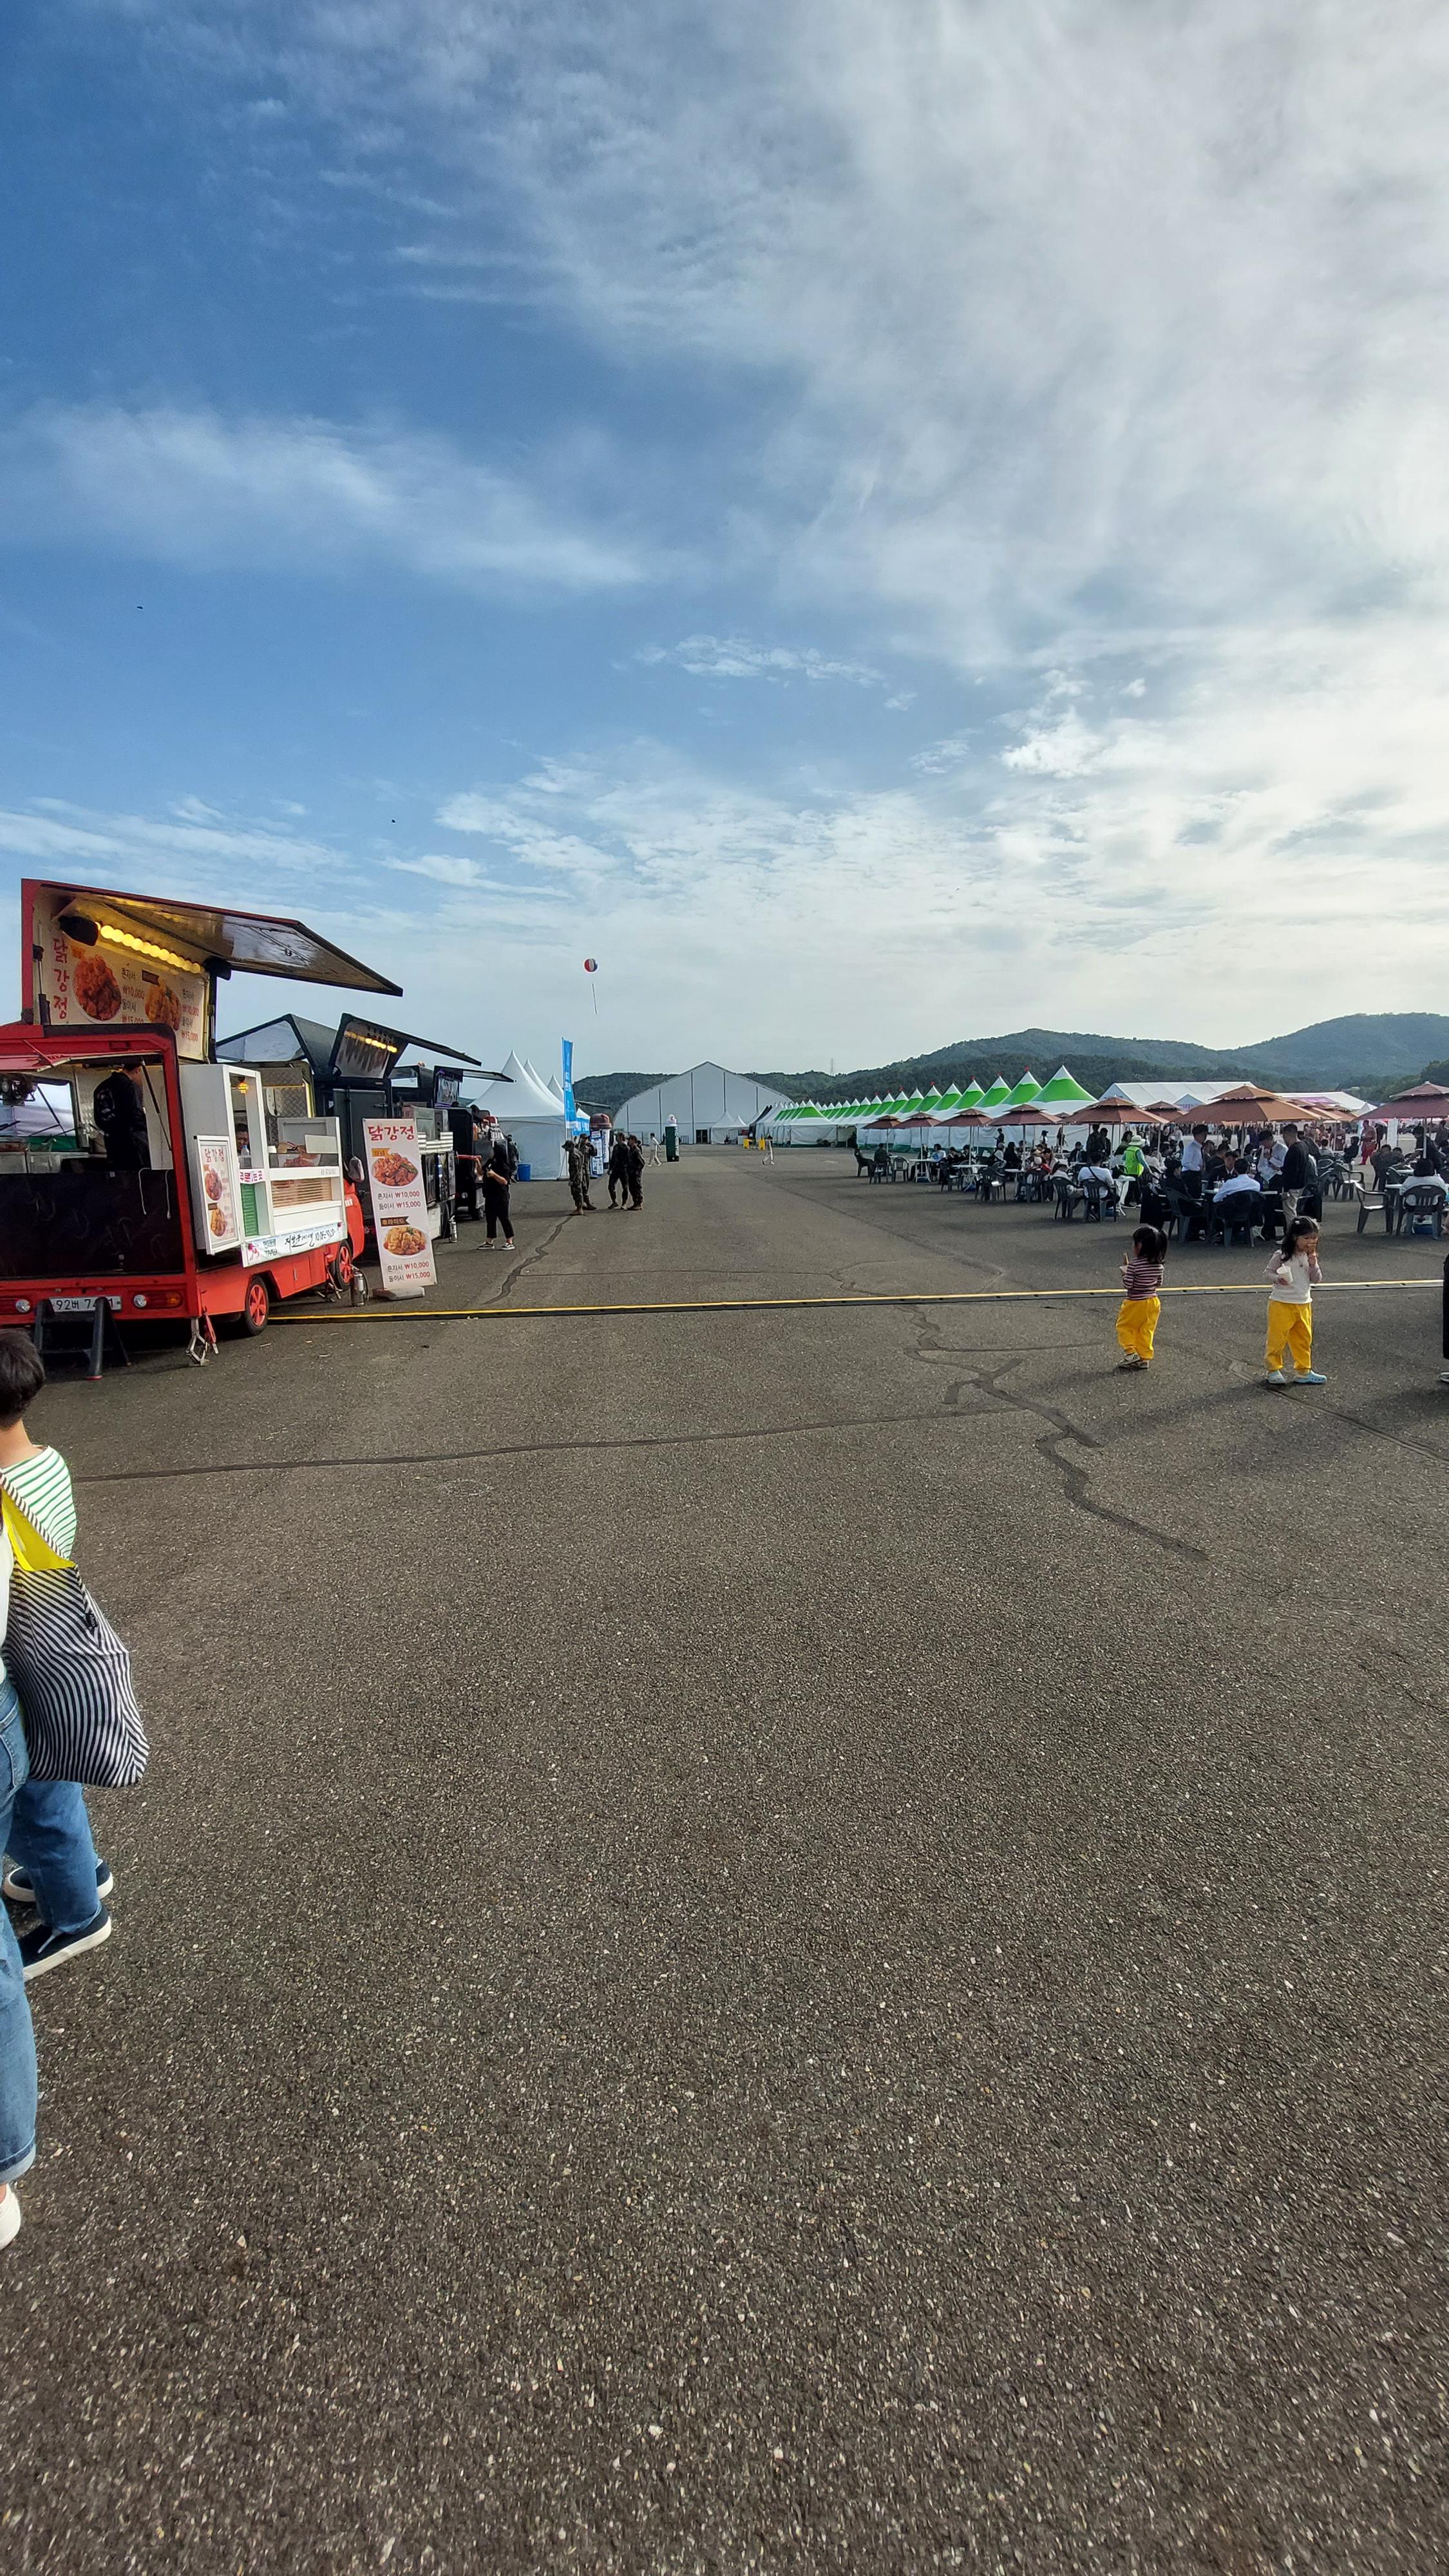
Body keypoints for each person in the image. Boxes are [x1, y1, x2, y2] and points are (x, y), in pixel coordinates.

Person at [0, 1337, 113, 1980]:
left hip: (20, 1648)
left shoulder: (1, 1492)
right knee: (47, 1769)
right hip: (53, 1634)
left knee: (36, 1787)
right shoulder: (50, 1460)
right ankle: (78, 1869)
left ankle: (76, 1916)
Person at [1264, 1218, 1325, 1387]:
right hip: (1281, 1303)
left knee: (1304, 1338)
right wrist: (1277, 1279)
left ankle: (1303, 1370)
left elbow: (1316, 1280)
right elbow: (1268, 1273)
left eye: (1314, 1238)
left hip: (1304, 1302)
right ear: (1294, 1238)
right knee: (1278, 1337)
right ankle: (1273, 1369)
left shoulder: (1310, 1257)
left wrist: (1314, 1265)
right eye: (1306, 1238)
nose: (1311, 1242)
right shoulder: (1281, 1256)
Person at [1116, 1224, 1167, 1370]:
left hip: (1135, 1302)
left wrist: (1125, 1273)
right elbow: (1159, 1283)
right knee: (1146, 1329)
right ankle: (1144, 1357)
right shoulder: (1159, 1266)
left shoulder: (1134, 1265)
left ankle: (1131, 1353)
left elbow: (1128, 1284)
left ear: (1139, 1246)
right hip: (1153, 1302)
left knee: (1125, 1326)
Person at [91, 1062, 151, 1172]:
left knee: (120, 1180)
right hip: (133, 1145)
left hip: (112, 1144)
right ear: (138, 1070)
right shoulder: (130, 1086)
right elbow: (135, 1115)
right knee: (140, 1180)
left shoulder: (101, 1087)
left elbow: (99, 1119)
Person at [481, 1135, 515, 1248]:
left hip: (501, 1196)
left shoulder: (504, 1166)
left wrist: (494, 1175)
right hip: (490, 1195)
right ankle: (489, 1241)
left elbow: (504, 1181)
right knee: (490, 1219)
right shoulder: (491, 1162)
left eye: (493, 1151)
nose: (491, 1153)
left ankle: (510, 1241)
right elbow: (481, 1172)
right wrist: (477, 1163)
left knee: (504, 1218)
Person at [1278, 1125, 1311, 1231]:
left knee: (1289, 1212)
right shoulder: (1304, 1146)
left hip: (1293, 1186)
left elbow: (1291, 1172)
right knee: (1292, 1210)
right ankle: (1293, 1234)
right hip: (1301, 1183)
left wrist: (1286, 1190)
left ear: (1287, 1135)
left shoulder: (1294, 1150)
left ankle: (1291, 1235)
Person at [565, 1133, 593, 1212]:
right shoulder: (578, 1150)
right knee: (582, 1190)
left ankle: (580, 1207)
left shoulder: (574, 1154)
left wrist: (572, 1180)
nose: (585, 1140)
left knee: (578, 1191)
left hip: (580, 1174)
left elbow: (575, 1169)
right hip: (581, 1173)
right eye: (584, 1139)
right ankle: (582, 1205)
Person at [623, 1132, 645, 1211]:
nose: (628, 1142)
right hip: (630, 1173)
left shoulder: (636, 1150)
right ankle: (635, 1203)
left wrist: (636, 1171)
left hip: (635, 1174)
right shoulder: (631, 1150)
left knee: (637, 1188)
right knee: (632, 1188)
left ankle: (639, 1203)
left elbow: (642, 1163)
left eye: (629, 1140)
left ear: (633, 1140)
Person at [607, 1134, 629, 1208]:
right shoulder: (616, 1147)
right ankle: (614, 1201)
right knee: (611, 1186)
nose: (616, 1138)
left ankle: (624, 1203)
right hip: (615, 1169)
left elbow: (629, 1160)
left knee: (625, 1187)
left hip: (624, 1170)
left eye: (617, 1137)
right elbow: (613, 1159)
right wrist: (610, 1169)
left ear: (621, 1138)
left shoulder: (626, 1148)